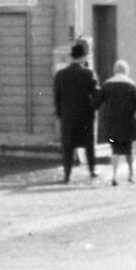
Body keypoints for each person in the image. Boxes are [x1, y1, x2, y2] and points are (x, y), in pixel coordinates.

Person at [53, 41, 98, 183]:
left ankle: (67, 174)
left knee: (68, 146)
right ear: (83, 57)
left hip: (67, 116)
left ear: (72, 57)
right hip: (85, 116)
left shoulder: (60, 74)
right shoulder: (88, 73)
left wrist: (59, 114)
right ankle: (92, 170)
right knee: (88, 145)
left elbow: (57, 97)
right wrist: (94, 109)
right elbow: (96, 94)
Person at [94, 59, 136, 185]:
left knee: (115, 149)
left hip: (112, 124)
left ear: (115, 70)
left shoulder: (107, 85)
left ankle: (114, 176)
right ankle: (131, 175)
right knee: (128, 149)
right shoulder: (131, 85)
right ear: (126, 71)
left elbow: (97, 102)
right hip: (128, 123)